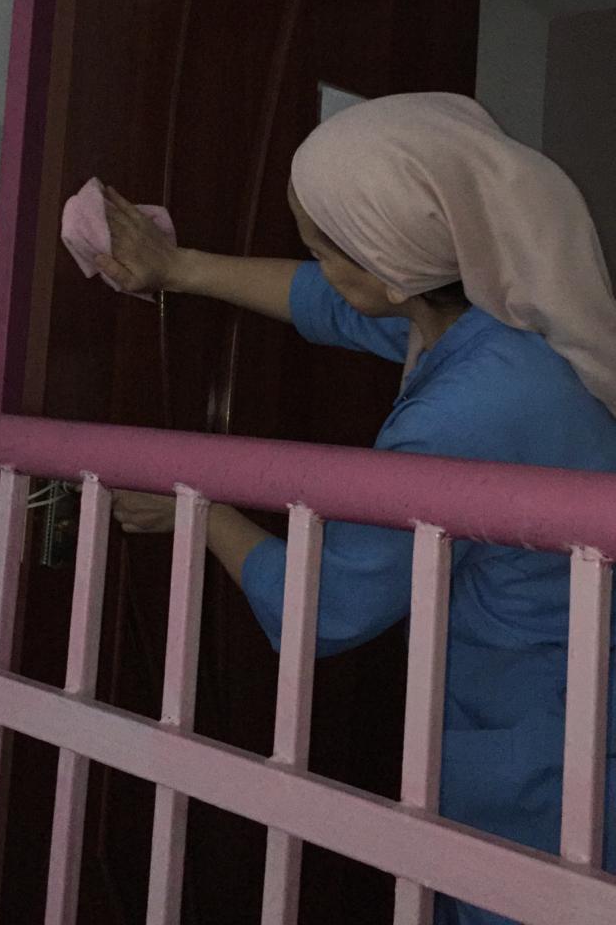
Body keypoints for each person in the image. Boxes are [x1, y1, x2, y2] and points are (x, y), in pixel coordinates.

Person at [93, 92, 616, 925]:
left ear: (392, 267)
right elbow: (334, 302)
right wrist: (177, 267)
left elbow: (325, 607)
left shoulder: (459, 415)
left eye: (321, 247)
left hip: (547, 748)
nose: (314, 263)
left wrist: (196, 508)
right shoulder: (510, 313)